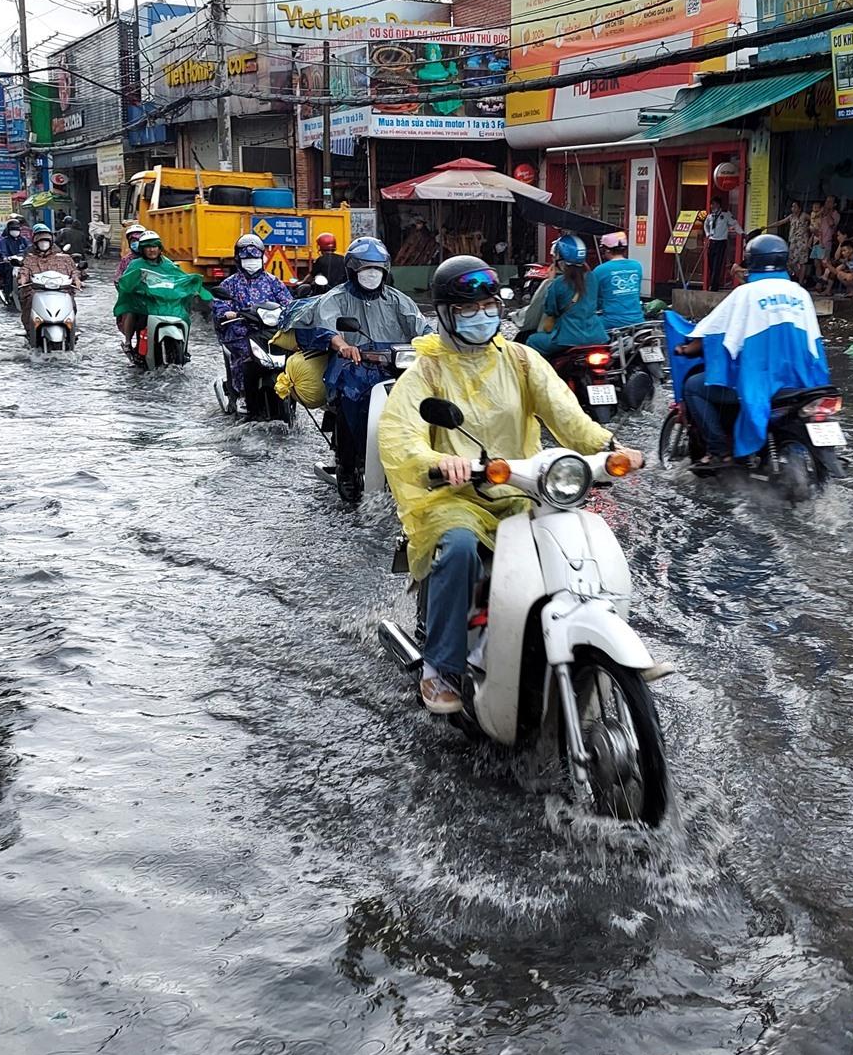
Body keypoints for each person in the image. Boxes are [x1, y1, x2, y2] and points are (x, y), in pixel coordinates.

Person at [378, 255, 646, 713]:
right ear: (444, 314)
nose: (481, 317)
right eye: (468, 310)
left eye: (488, 306)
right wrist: (441, 461)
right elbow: (400, 436)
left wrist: (611, 447)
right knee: (460, 548)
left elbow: (566, 414)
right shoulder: (427, 372)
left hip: (524, 488)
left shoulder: (522, 360)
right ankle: (440, 668)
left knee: (575, 547)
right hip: (457, 496)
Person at [676, 232, 832, 467]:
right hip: (802, 381)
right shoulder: (800, 293)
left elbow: (714, 332)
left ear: (753, 260)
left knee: (693, 387)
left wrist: (687, 349)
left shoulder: (745, 293)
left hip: (761, 381)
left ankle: (719, 452)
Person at [305, 237, 432, 500]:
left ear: (385, 271)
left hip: (393, 365)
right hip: (352, 364)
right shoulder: (336, 298)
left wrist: (437, 345)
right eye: (365, 269)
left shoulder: (398, 300)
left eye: (376, 269)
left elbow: (422, 328)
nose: (371, 274)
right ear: (353, 270)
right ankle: (347, 466)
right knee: (349, 398)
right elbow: (326, 326)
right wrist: (342, 345)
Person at [213, 233, 295, 410]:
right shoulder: (230, 284)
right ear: (238, 258)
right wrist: (229, 314)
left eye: (255, 257)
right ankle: (242, 393)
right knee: (244, 357)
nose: (251, 261)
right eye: (247, 257)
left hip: (270, 333)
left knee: (291, 356)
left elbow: (288, 303)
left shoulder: (273, 282)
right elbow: (220, 306)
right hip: (241, 333)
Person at [112, 230, 207, 348]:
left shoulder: (168, 264)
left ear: (159, 248)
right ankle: (128, 342)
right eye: (148, 247)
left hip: (162, 301)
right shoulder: (135, 264)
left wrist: (191, 285)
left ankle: (184, 348)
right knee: (131, 311)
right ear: (143, 249)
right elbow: (126, 282)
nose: (152, 250)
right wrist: (134, 289)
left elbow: (179, 277)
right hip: (143, 301)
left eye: (154, 246)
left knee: (183, 313)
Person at [525, 234, 608, 358]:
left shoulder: (558, 283)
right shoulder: (592, 277)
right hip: (596, 335)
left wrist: (550, 281)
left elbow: (550, 309)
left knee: (532, 340)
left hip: (567, 338)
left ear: (560, 258)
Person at [15, 224, 83, 331]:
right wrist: (23, 280)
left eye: (46, 241)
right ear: (36, 242)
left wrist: (77, 280)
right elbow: (24, 270)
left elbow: (73, 270)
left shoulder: (62, 258)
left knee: (71, 303)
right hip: (36, 290)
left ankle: (72, 328)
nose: (43, 244)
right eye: (41, 241)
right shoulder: (30, 258)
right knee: (28, 302)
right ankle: (29, 329)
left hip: (61, 290)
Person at [591, 230, 646, 331]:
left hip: (611, 322)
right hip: (638, 320)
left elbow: (592, 296)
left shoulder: (600, 270)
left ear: (606, 250)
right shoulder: (637, 266)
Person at [703, 194, 741, 291]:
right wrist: (707, 234)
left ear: (719, 205)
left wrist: (741, 233)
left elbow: (735, 223)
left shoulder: (725, 215)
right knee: (711, 265)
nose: (712, 206)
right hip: (712, 242)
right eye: (711, 204)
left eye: (714, 204)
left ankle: (714, 287)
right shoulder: (710, 216)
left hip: (721, 242)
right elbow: (705, 225)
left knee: (717, 265)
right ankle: (713, 282)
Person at [784, 199, 812, 280]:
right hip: (793, 242)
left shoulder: (804, 215)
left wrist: (809, 229)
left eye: (795, 207)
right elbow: (781, 222)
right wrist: (768, 226)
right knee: (791, 262)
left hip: (802, 242)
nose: (793, 208)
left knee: (802, 262)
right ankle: (798, 276)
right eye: (792, 207)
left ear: (799, 208)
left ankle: (801, 281)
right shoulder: (791, 216)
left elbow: (814, 221)